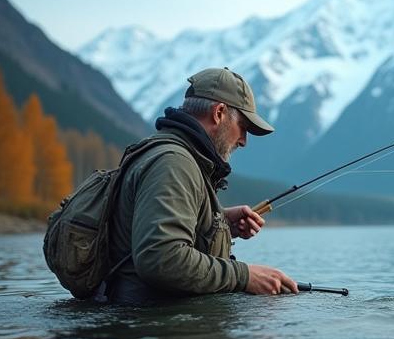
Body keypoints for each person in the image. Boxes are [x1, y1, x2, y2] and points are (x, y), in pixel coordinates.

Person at [106, 67, 298, 303]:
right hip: (149, 326)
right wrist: (245, 276)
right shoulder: (174, 163)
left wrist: (219, 221)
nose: (244, 141)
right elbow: (162, 259)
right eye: (243, 128)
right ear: (219, 113)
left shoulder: (174, 155)